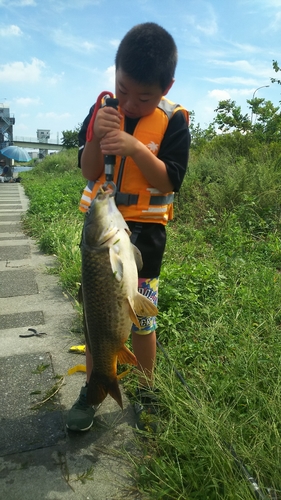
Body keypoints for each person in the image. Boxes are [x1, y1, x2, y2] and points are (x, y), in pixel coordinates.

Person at [66, 22, 190, 432]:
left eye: (144, 97)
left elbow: (169, 180)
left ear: (166, 87)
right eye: (122, 90)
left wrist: (135, 147)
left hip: (144, 242)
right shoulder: (102, 110)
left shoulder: (174, 122)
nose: (130, 103)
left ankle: (147, 387)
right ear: (114, 73)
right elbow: (87, 170)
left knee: (143, 321)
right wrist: (99, 139)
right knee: (99, 321)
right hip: (100, 239)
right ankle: (96, 383)